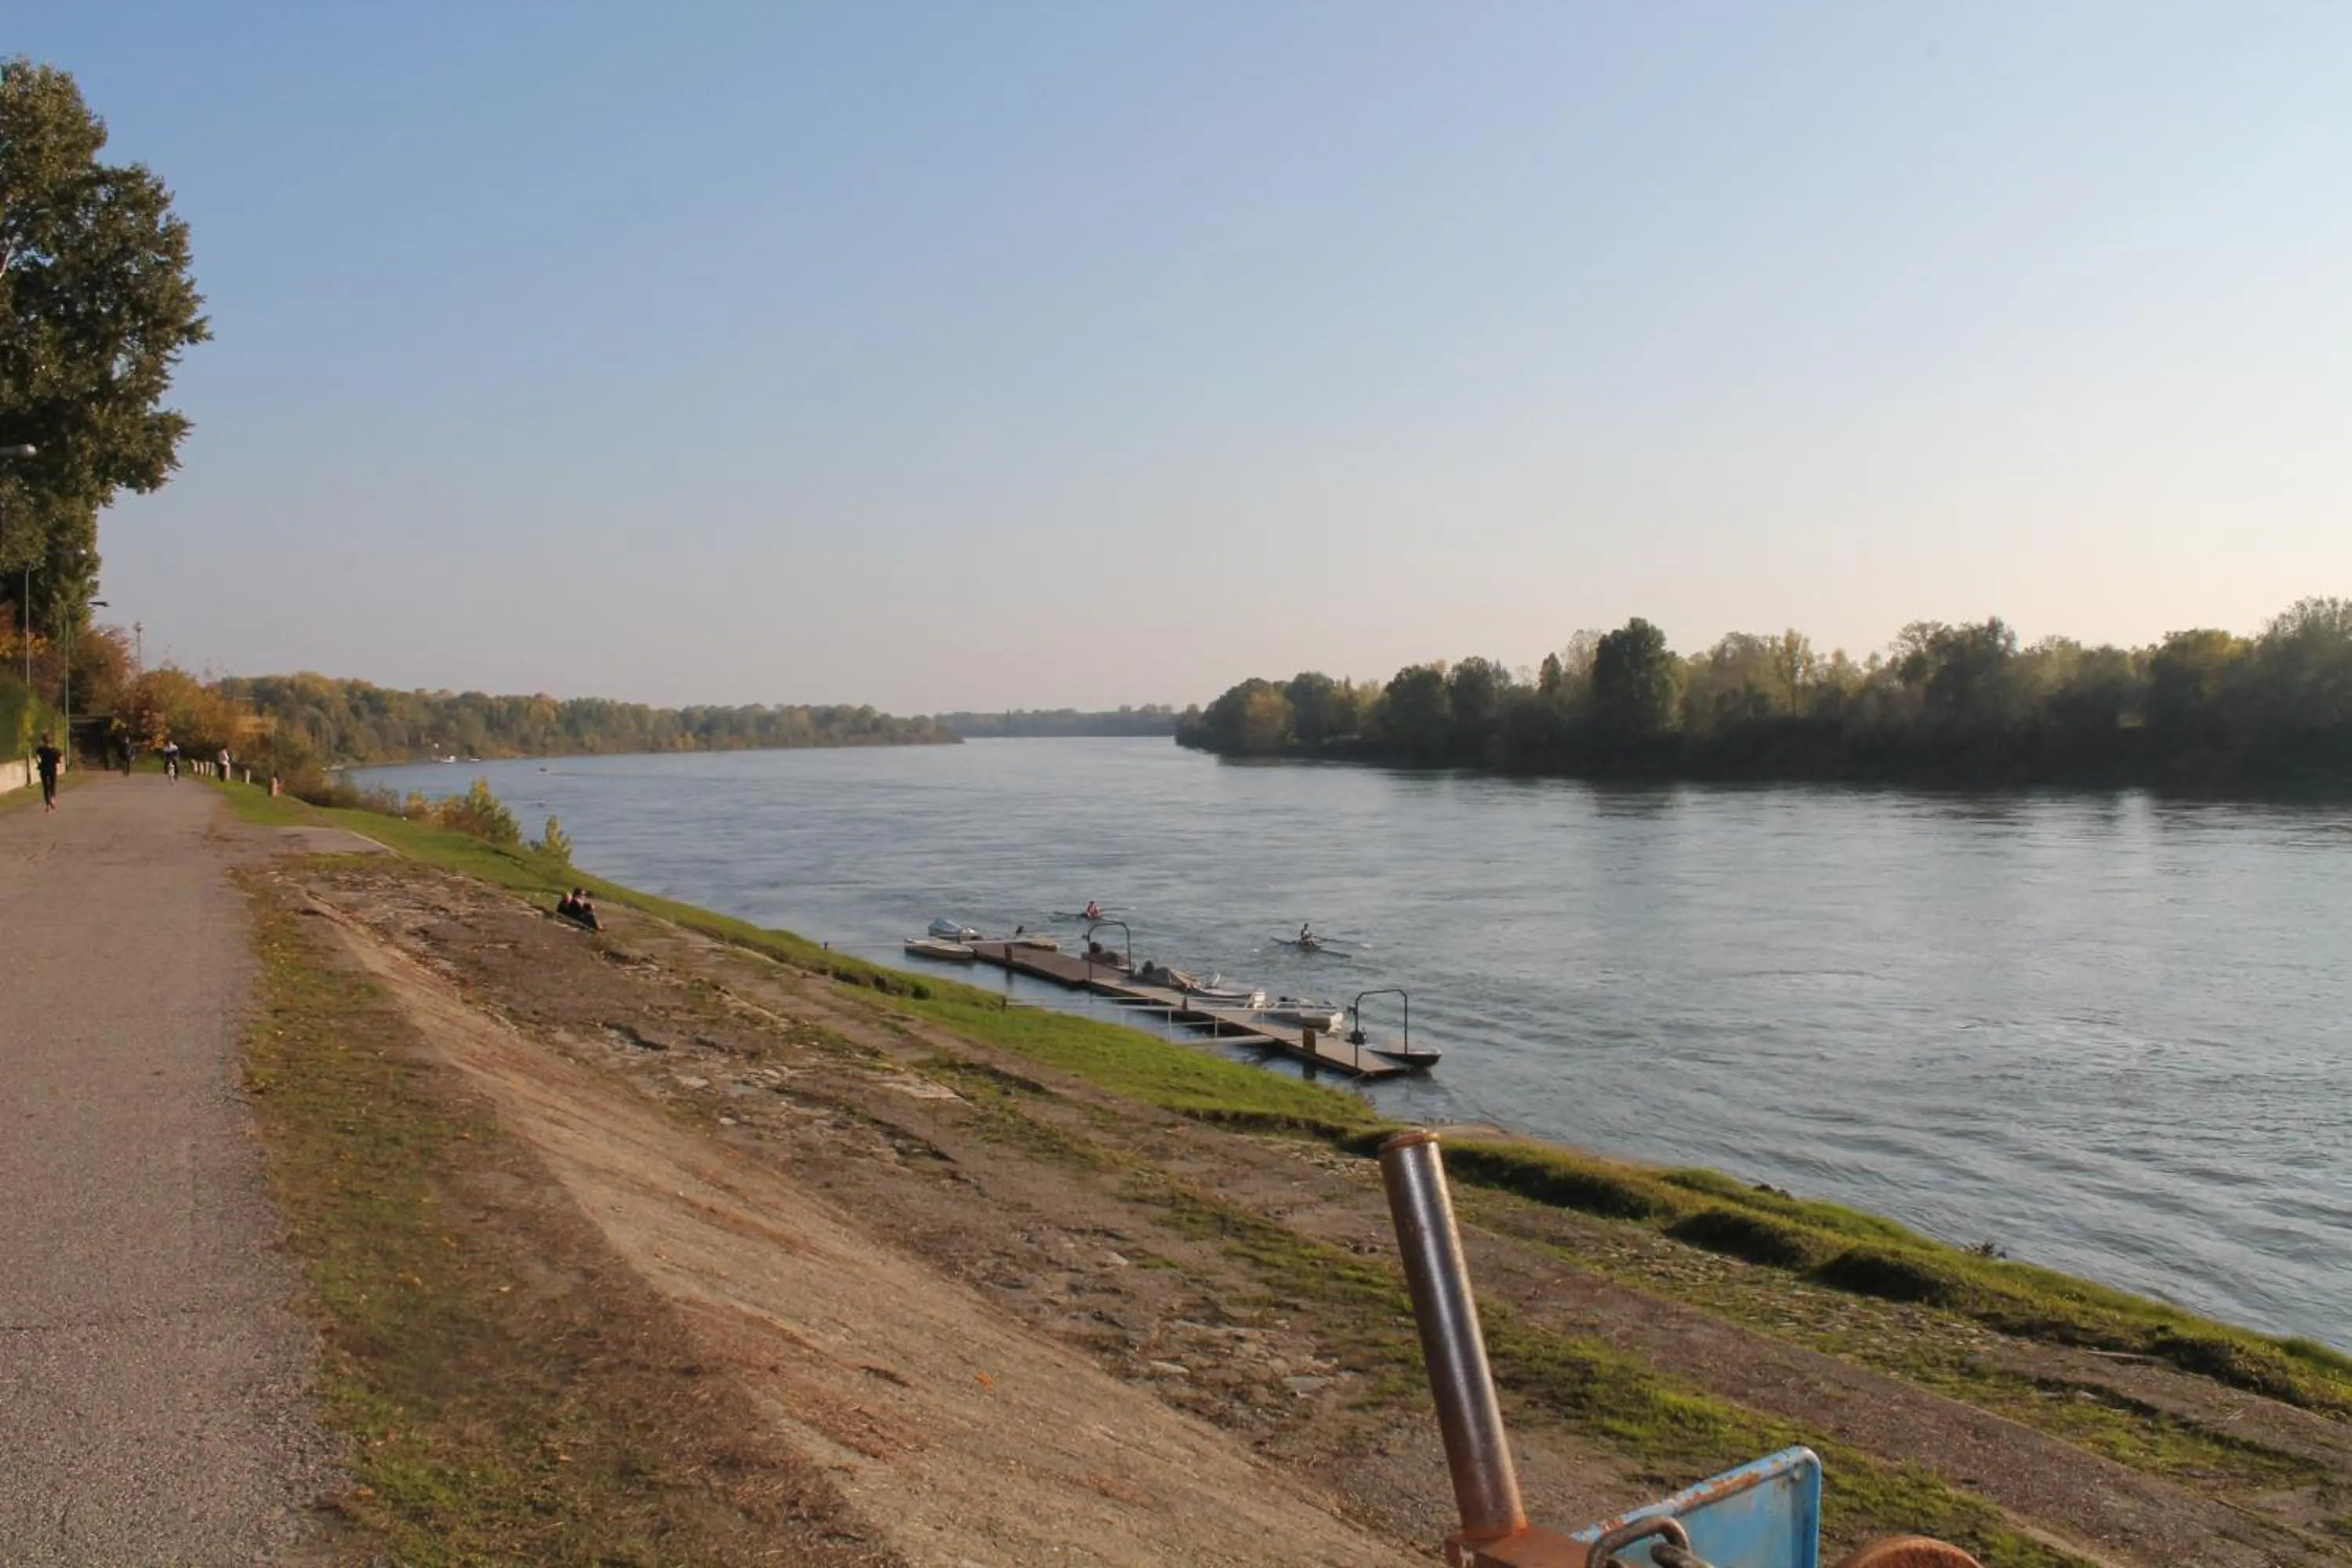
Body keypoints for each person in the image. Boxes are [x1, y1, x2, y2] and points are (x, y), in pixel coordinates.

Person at [33, 732, 61, 813]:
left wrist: (39, 763)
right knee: (52, 785)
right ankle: (52, 798)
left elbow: (36, 756)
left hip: (44, 769)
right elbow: (59, 761)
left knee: (45, 787)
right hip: (52, 770)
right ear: (51, 741)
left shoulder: (40, 749)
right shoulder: (55, 750)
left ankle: (48, 806)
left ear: (43, 740)